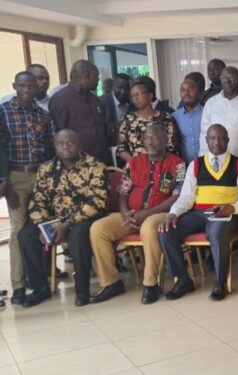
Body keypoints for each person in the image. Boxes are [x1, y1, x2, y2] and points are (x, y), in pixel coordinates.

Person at [90, 125, 185, 305]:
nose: (150, 141)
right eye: (147, 138)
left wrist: (147, 213)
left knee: (150, 228)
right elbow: (123, 193)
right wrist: (126, 213)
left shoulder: (177, 164)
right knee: (98, 228)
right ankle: (111, 282)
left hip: (160, 213)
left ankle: (151, 284)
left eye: (155, 138)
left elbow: (177, 196)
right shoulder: (133, 163)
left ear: (165, 141)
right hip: (131, 213)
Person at [158, 124, 238, 301]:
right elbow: (186, 197)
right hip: (199, 213)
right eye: (213, 138)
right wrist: (173, 214)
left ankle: (220, 282)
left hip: (226, 214)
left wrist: (231, 207)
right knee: (166, 231)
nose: (217, 142)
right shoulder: (195, 164)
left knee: (216, 233)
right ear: (206, 140)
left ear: (228, 141)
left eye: (222, 138)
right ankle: (183, 280)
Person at [19, 129, 108, 307]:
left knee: (78, 234)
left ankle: (82, 290)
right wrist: (44, 226)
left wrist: (68, 224)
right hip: (55, 219)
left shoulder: (95, 165)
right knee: (26, 235)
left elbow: (97, 202)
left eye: (70, 142)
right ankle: (40, 288)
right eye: (61, 143)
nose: (66, 147)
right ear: (55, 146)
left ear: (78, 144)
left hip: (85, 218)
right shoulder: (46, 169)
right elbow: (38, 201)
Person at [0, 71, 55, 306]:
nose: (26, 90)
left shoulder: (43, 115)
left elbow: (51, 149)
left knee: (41, 227)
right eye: (22, 86)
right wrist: (4, 180)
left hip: (41, 175)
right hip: (16, 177)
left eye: (31, 86)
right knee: (17, 229)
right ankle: (19, 285)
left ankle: (40, 280)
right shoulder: (3, 112)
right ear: (15, 86)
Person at [49, 59, 114, 165]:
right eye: (97, 77)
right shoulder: (61, 99)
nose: (98, 81)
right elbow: (57, 133)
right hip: (77, 164)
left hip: (101, 161)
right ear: (87, 75)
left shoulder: (95, 99)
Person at [116, 77, 180, 163]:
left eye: (139, 94)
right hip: (136, 167)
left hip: (161, 166)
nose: (136, 98)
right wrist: (135, 163)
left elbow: (171, 147)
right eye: (133, 96)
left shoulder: (165, 118)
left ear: (150, 96)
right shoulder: (127, 120)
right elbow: (121, 149)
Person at [172, 79, 203, 162]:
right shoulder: (174, 116)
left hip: (205, 164)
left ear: (199, 92)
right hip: (184, 165)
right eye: (183, 90)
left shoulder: (207, 113)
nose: (186, 93)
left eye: (190, 89)